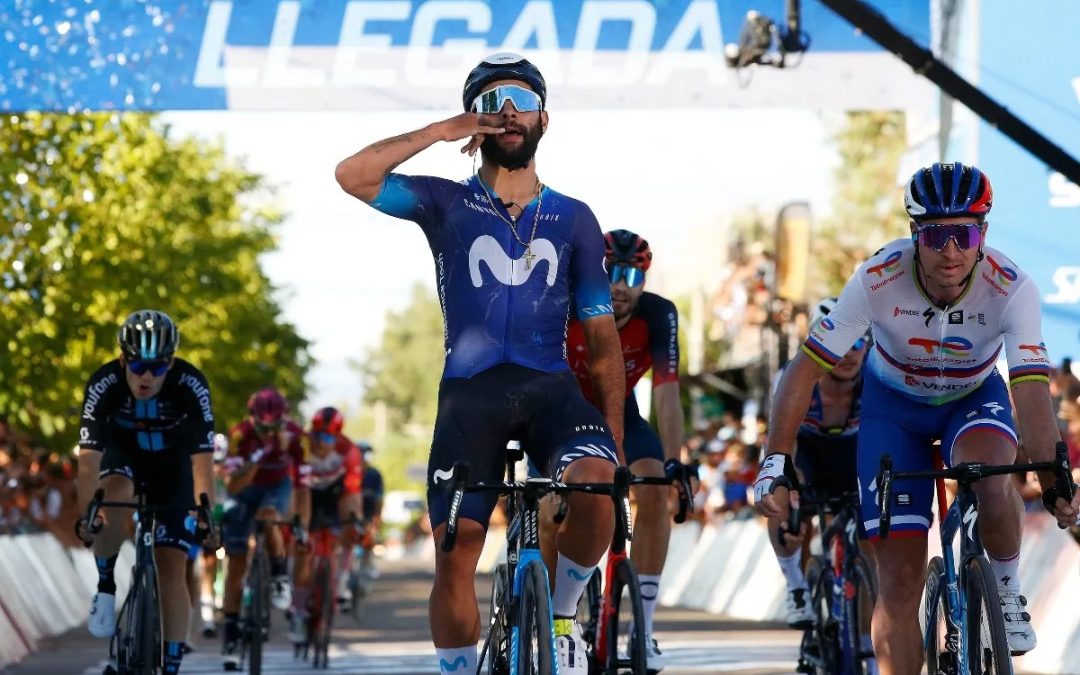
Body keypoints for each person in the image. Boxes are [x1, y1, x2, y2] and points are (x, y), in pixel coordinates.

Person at [335, 51, 626, 675]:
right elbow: (352, 174)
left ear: (546, 117)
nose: (509, 113)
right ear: (476, 121)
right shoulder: (445, 203)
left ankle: (563, 617)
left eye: (522, 100)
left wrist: (616, 446)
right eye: (493, 104)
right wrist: (443, 131)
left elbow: (603, 344)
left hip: (552, 389)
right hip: (471, 395)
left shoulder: (575, 217)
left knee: (598, 486)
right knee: (455, 549)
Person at [756, 162, 1080, 675]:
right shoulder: (877, 279)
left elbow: (1032, 389)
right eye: (935, 235)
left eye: (963, 233)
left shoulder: (1013, 287)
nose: (950, 250)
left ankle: (1006, 588)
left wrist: (1052, 475)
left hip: (972, 400)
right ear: (914, 234)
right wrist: (775, 459)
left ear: (983, 235)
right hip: (893, 412)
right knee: (898, 583)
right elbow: (803, 370)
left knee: (992, 477)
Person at [559, 228, 683, 670]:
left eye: (632, 276)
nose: (620, 286)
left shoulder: (659, 315)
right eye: (611, 272)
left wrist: (676, 462)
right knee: (559, 501)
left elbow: (668, 392)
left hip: (623, 413)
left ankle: (645, 628)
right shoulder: (564, 305)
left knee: (656, 488)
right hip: (564, 411)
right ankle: (559, 615)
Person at [75, 310, 216, 675]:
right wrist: (86, 516)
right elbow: (88, 462)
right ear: (123, 359)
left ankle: (170, 666)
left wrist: (208, 516)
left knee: (172, 566)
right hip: (124, 457)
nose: (147, 376)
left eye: (158, 366)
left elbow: (203, 463)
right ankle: (106, 587)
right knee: (112, 495)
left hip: (175, 468)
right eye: (137, 365)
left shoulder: (191, 384)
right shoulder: (103, 383)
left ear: (171, 362)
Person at [219, 387, 310, 670]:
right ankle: (231, 638)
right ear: (252, 419)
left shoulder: (296, 436)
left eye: (275, 426)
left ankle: (280, 574)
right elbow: (233, 485)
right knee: (235, 567)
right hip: (246, 487)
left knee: (270, 515)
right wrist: (258, 456)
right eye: (263, 426)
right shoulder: (240, 435)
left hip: (278, 486)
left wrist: (301, 524)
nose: (269, 431)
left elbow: (303, 487)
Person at [288, 406, 363, 644]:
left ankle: (340, 582)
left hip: (334, 495)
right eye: (317, 436)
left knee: (352, 525)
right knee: (303, 547)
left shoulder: (348, 451)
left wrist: (355, 522)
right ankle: (298, 611)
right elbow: (294, 489)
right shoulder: (301, 448)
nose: (321, 444)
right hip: (307, 492)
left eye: (328, 437)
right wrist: (296, 521)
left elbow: (352, 492)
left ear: (338, 437)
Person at [357, 440, 384, 580]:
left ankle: (366, 565)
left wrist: (377, 518)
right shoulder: (350, 472)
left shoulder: (374, 474)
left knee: (368, 539)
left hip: (369, 511)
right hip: (352, 511)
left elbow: (379, 498)